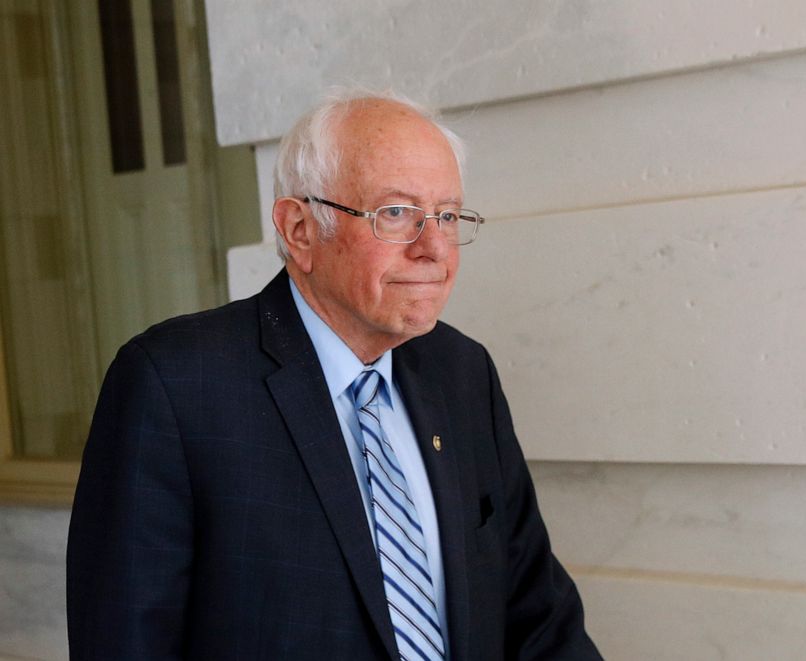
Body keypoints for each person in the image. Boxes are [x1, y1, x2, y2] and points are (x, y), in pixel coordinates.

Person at [67, 89, 602, 661]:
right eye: (395, 213)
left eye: (446, 215)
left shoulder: (464, 374)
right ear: (299, 230)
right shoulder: (175, 384)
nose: (433, 249)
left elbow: (540, 620)